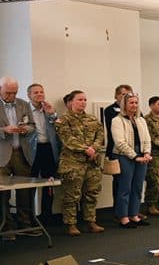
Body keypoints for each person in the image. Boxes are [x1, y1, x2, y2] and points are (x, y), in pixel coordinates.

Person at [54, 90, 104, 236]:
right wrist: (85, 149)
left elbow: (100, 135)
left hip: (91, 162)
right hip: (72, 163)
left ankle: (90, 221)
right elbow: (67, 139)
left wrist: (94, 148)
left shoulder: (93, 119)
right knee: (71, 195)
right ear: (71, 102)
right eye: (79, 100)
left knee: (91, 193)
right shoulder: (63, 120)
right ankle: (71, 224)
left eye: (84, 100)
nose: (83, 102)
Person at [0, 76, 38, 240]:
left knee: (24, 191)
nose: (11, 96)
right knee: (2, 194)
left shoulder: (23, 104)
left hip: (21, 153)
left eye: (14, 93)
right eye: (8, 93)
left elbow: (33, 126)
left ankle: (26, 225)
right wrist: (4, 130)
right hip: (2, 155)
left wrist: (25, 130)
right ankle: (6, 227)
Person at [110, 92, 152, 228]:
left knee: (138, 187)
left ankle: (134, 215)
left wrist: (146, 153)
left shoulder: (141, 120)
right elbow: (119, 142)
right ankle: (123, 217)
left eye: (136, 102)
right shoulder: (117, 120)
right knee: (125, 187)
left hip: (141, 155)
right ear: (124, 104)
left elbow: (147, 139)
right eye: (131, 103)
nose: (134, 105)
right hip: (124, 156)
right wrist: (135, 156)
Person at [27, 84, 62, 225]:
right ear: (29, 95)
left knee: (49, 182)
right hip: (32, 150)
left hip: (48, 149)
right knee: (31, 184)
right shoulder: (25, 110)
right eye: (36, 92)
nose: (40, 94)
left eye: (42, 91)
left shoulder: (48, 109)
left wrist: (52, 114)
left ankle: (47, 215)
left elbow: (57, 126)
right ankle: (30, 217)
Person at [103, 84, 133, 209]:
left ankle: (132, 210)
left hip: (133, 151)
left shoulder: (136, 111)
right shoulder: (110, 110)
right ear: (117, 95)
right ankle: (119, 210)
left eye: (129, 95)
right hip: (117, 150)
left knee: (133, 182)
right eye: (124, 94)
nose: (127, 97)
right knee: (120, 183)